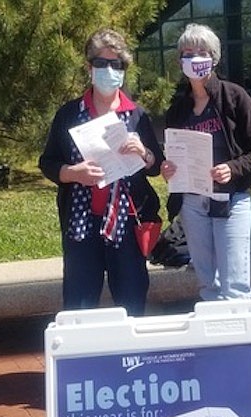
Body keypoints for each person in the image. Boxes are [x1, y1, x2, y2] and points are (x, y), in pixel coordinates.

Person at [39, 28, 163, 315]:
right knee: (79, 306)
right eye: (101, 63)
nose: (109, 70)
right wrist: (72, 173)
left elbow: (156, 166)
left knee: (132, 303)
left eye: (116, 64)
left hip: (127, 226)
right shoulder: (69, 114)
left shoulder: (136, 115)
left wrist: (144, 153)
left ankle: (132, 359)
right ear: (89, 67)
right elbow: (48, 162)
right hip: (82, 226)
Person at [160, 23, 251, 301]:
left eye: (202, 51)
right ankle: (215, 337)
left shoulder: (235, 97)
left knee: (235, 283)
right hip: (194, 204)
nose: (194, 58)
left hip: (231, 199)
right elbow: (173, 156)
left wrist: (232, 168)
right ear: (179, 61)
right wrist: (168, 169)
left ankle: (239, 339)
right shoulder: (178, 108)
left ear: (214, 57)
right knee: (208, 282)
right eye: (187, 52)